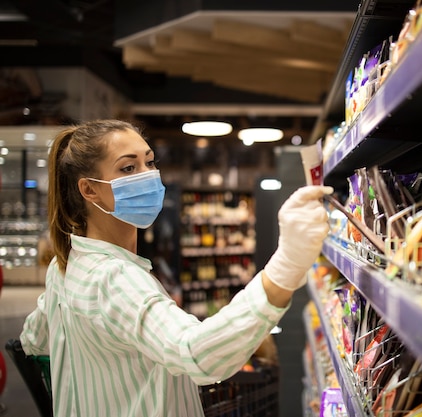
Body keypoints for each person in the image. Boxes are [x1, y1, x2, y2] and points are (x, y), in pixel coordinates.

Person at [19, 119, 332, 416]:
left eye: (150, 162)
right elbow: (196, 354)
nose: (148, 175)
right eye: (128, 168)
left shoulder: (65, 265)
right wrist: (287, 264)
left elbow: (34, 338)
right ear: (89, 190)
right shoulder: (114, 278)